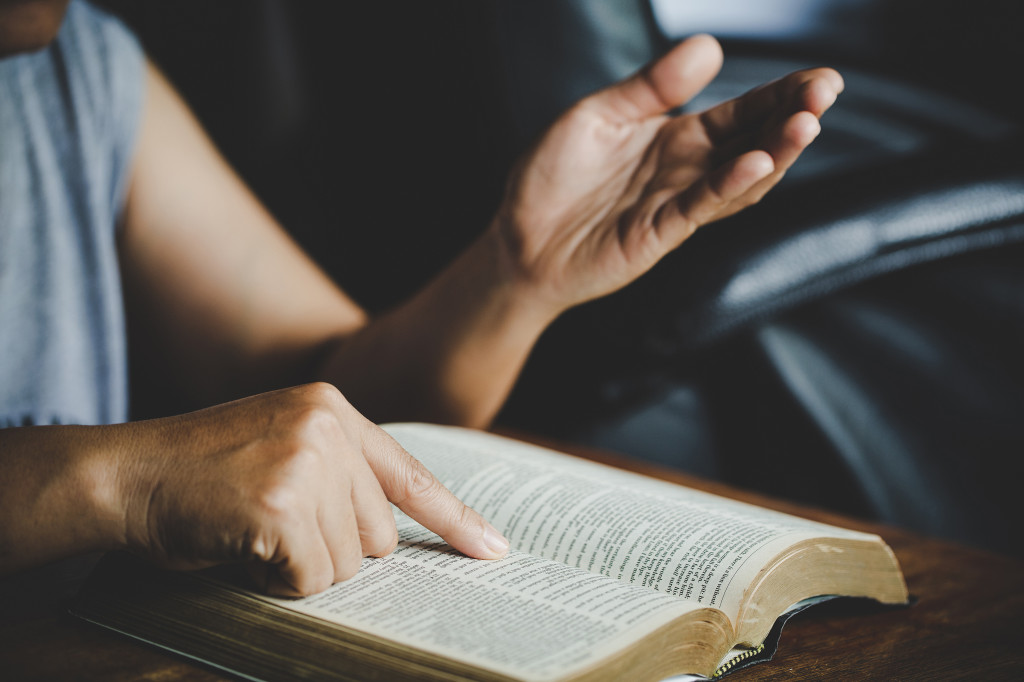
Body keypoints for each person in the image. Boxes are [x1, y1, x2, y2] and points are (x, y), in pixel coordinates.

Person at [0, 0, 842, 595]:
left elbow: (357, 412)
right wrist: (118, 482)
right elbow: (134, 478)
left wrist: (516, 276)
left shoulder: (79, 67)